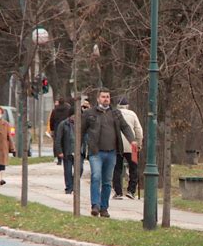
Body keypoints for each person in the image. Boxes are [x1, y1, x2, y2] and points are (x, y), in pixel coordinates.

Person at [81, 88, 136, 218]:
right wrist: (79, 150)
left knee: (107, 181)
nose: (106, 99)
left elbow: (125, 127)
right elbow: (81, 130)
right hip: (96, 152)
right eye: (103, 97)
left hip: (112, 153)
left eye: (108, 97)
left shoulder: (115, 113)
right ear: (98, 98)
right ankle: (95, 205)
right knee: (96, 177)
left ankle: (104, 208)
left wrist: (132, 140)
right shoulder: (90, 113)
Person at [112, 97, 143, 200]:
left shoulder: (114, 113)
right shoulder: (132, 114)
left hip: (118, 145)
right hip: (132, 145)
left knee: (117, 168)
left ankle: (118, 192)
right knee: (134, 167)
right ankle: (131, 190)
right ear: (127, 105)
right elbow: (138, 130)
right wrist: (139, 143)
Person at [55, 107, 83, 194]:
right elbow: (58, 139)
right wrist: (59, 151)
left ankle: (74, 184)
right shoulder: (63, 124)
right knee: (67, 170)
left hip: (79, 152)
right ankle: (69, 187)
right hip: (67, 151)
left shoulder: (82, 124)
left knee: (80, 169)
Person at [50, 98, 71, 165]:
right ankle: (66, 156)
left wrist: (52, 129)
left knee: (58, 142)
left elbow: (51, 120)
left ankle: (59, 159)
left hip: (57, 127)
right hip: (66, 127)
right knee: (66, 142)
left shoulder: (55, 110)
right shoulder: (68, 109)